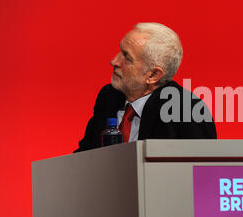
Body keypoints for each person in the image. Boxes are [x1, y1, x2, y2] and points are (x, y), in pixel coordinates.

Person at [75, 22, 216, 152]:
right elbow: (84, 157)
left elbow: (200, 172)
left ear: (153, 75)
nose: (114, 61)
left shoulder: (185, 110)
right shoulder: (109, 96)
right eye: (120, 51)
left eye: (126, 57)